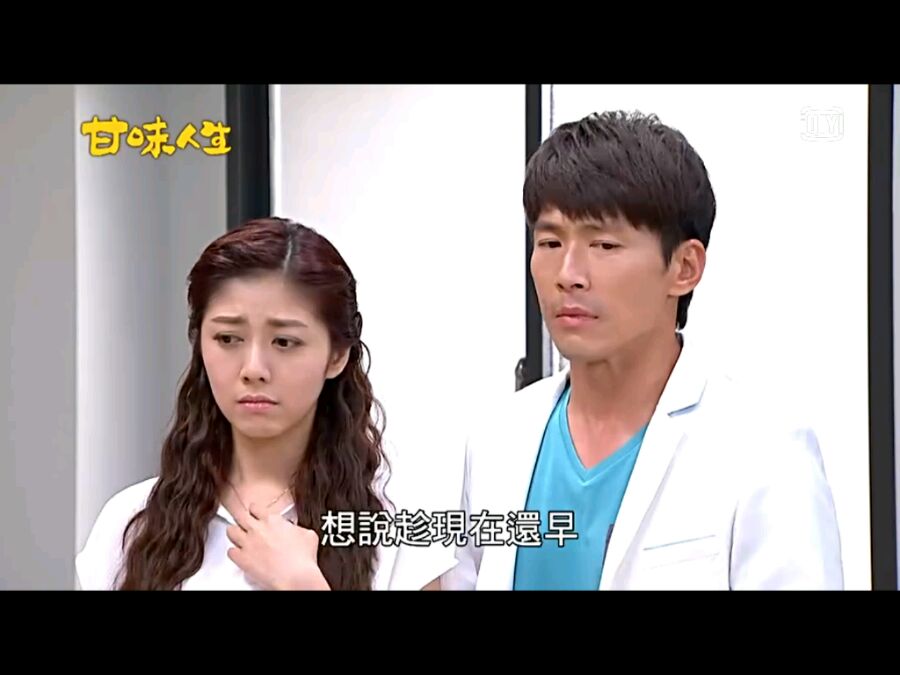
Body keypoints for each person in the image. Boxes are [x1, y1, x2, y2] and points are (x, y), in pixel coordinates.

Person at [439, 111, 844, 590]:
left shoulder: (763, 450)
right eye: (549, 242)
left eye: (604, 245)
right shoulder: (497, 438)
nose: (568, 274)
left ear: (684, 267)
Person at [76, 217, 451, 590]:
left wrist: (303, 585)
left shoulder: (395, 525)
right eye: (228, 339)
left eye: (284, 342)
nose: (253, 369)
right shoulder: (132, 522)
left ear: (337, 355)